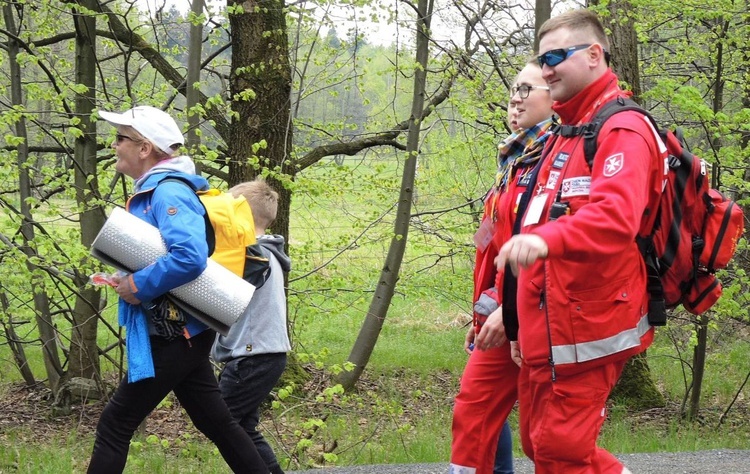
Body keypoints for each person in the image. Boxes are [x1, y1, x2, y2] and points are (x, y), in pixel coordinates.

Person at [495, 9, 667, 474]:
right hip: (543, 328)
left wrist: (548, 240)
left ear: (594, 55)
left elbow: (614, 217)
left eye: (555, 56)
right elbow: (528, 224)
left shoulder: (622, 129)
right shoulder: (565, 132)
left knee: (558, 449)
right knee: (539, 443)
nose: (545, 68)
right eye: (540, 58)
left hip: (587, 326)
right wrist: (517, 325)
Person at [88, 105, 269, 474]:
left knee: (116, 423)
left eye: (121, 138)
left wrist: (137, 284)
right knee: (217, 423)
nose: (114, 145)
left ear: (145, 148)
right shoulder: (158, 189)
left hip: (173, 331)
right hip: (183, 329)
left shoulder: (168, 192)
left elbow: (189, 257)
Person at [450, 60, 555, 474]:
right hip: (500, 309)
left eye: (528, 90)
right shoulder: (514, 160)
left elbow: (538, 247)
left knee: (543, 437)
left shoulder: (552, 158)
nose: (515, 98)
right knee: (478, 409)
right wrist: (482, 313)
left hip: (534, 312)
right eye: (514, 89)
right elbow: (491, 244)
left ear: (555, 97)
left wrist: (507, 313)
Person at [213, 178, 292, 474]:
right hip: (262, 353)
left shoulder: (251, 255)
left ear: (241, 215)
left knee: (223, 423)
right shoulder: (263, 253)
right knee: (243, 426)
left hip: (254, 355)